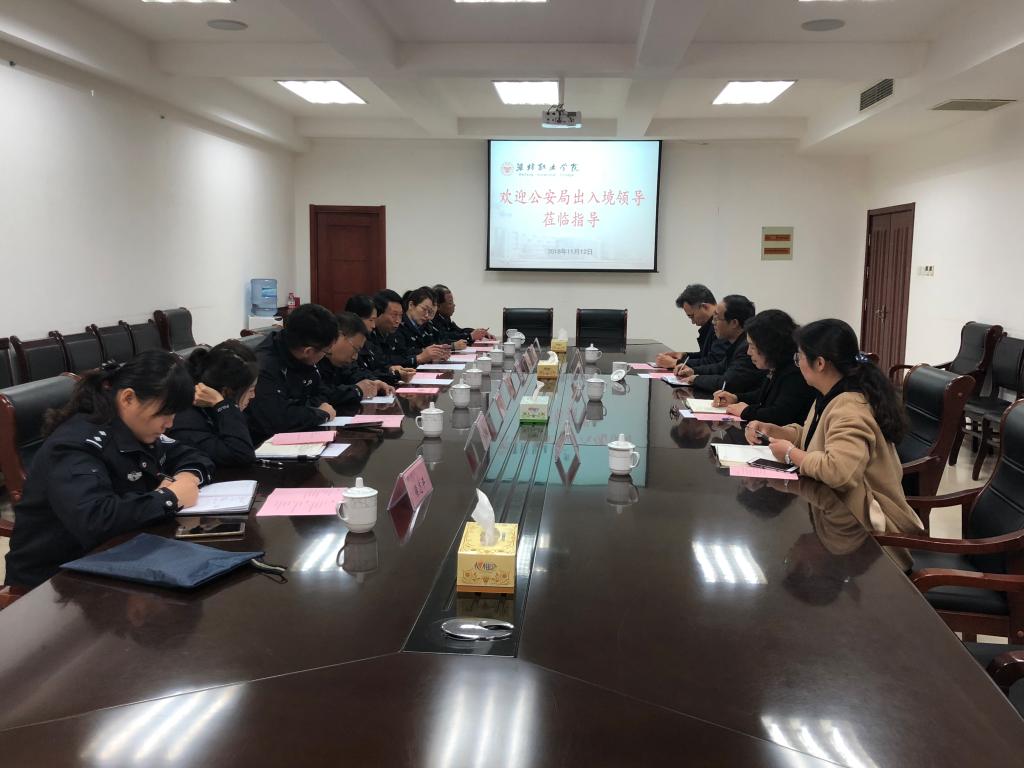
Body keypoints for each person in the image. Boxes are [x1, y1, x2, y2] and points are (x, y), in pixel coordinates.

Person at [4, 351, 215, 589]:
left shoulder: (136, 429)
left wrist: (187, 478)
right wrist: (169, 497)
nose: (170, 424)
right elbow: (94, 520)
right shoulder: (74, 445)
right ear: (128, 398)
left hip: (118, 556)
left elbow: (194, 456)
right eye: (165, 413)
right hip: (54, 582)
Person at [745, 318, 923, 537]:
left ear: (820, 363)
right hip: (838, 514)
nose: (797, 363)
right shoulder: (829, 394)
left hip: (867, 530)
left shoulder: (850, 407)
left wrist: (791, 454)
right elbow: (814, 438)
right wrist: (776, 431)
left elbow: (839, 473)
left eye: (799, 357)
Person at [246, 303, 339, 445]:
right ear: (307, 351)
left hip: (299, 435)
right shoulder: (264, 366)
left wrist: (301, 409)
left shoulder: (302, 354)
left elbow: (321, 393)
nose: (325, 356)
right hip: (263, 446)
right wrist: (319, 414)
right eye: (326, 352)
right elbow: (276, 419)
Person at [710, 309, 815, 426]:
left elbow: (779, 415)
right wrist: (736, 398)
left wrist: (746, 411)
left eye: (752, 347)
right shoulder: (778, 364)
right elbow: (764, 395)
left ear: (768, 346)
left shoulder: (795, 372)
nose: (748, 352)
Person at [166, 340, 260, 467]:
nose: (253, 396)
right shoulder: (186, 419)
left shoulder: (211, 407)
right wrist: (223, 405)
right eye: (250, 390)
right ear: (226, 391)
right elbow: (241, 455)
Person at [674, 294, 764, 394]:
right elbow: (720, 367)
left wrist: (696, 379)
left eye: (716, 318)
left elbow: (727, 383)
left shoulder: (747, 349)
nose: (713, 322)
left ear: (734, 323)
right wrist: (693, 371)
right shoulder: (737, 343)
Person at [318, 311, 394, 411]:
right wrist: (357, 390)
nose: (355, 357)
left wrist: (374, 383)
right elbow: (322, 395)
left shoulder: (341, 363)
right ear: (338, 337)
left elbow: (354, 373)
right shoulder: (313, 359)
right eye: (355, 349)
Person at [655, 284, 727, 370]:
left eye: (692, 316)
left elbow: (714, 361)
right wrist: (685, 355)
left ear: (705, 307)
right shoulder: (709, 326)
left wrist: (675, 363)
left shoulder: (722, 326)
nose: (692, 322)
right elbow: (706, 355)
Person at [346, 294, 412, 386]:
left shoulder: (369, 342)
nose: (373, 325)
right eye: (371, 320)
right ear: (356, 318)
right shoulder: (348, 344)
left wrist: (390, 369)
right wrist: (394, 376)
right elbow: (357, 374)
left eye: (400, 315)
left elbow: (380, 363)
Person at [383, 287, 450, 367]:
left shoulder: (425, 325)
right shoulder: (396, 325)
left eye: (430, 312)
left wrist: (437, 353)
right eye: (424, 309)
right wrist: (420, 356)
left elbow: (429, 346)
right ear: (411, 305)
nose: (427, 315)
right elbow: (394, 357)